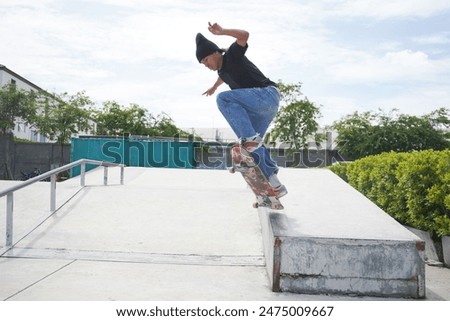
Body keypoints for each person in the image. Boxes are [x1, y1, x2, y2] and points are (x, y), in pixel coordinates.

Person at [195, 22, 287, 197]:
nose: (205, 65)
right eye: (202, 63)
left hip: (267, 95)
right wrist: (214, 86)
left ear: (215, 53)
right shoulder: (221, 73)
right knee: (251, 148)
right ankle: (274, 184)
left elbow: (244, 35)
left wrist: (222, 32)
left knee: (224, 99)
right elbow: (223, 77)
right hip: (263, 109)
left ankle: (248, 141)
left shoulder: (232, 55)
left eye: (206, 59)